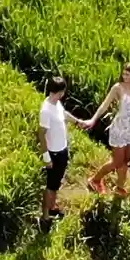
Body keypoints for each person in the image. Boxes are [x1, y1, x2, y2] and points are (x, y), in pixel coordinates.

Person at [86, 61, 130, 199]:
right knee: (117, 162)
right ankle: (95, 180)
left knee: (126, 160)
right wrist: (93, 119)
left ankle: (119, 187)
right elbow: (104, 106)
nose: (125, 77)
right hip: (120, 128)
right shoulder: (118, 88)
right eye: (123, 74)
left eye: (128, 74)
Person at [37, 80, 73, 223]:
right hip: (53, 154)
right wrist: (46, 157)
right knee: (50, 185)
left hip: (62, 150)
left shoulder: (56, 103)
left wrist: (77, 121)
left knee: (56, 182)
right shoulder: (46, 110)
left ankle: (52, 206)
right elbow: (41, 134)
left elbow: (64, 114)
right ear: (60, 92)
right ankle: (45, 216)